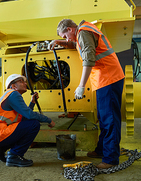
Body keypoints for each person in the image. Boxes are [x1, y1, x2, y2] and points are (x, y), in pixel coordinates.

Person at [49, 19, 124, 169]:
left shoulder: (83, 32)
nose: (66, 39)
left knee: (110, 120)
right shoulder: (82, 32)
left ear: (70, 29)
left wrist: (81, 86)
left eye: (65, 36)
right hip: (104, 80)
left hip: (108, 78)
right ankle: (102, 150)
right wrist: (60, 42)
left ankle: (110, 159)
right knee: (103, 118)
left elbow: (89, 58)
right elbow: (76, 45)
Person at [0, 74, 56, 167]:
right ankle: (15, 155)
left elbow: (24, 117)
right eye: (21, 81)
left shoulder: (10, 95)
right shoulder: (14, 94)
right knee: (34, 125)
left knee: (26, 124)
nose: (25, 83)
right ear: (13, 86)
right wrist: (48, 120)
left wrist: (32, 103)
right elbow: (29, 115)